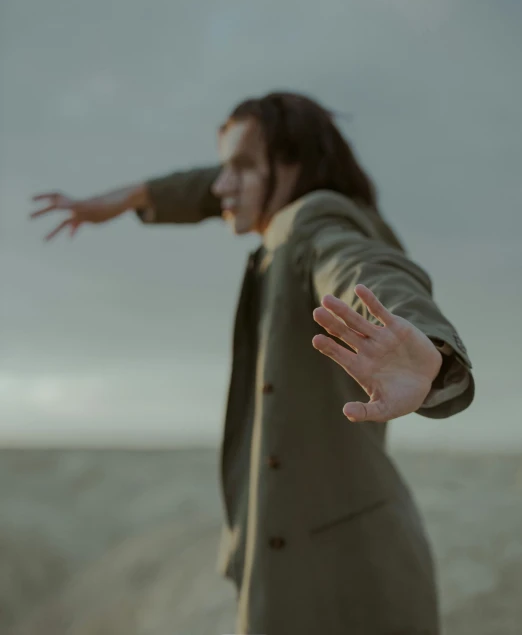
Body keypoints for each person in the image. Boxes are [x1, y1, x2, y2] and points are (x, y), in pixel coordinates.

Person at [30, 91, 474, 634]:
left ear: (295, 166)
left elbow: (363, 268)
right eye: (222, 168)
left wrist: (420, 338)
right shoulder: (278, 212)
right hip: (312, 566)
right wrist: (132, 197)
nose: (220, 186)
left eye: (239, 167)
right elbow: (213, 185)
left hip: (350, 586)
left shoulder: (315, 222)